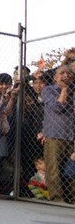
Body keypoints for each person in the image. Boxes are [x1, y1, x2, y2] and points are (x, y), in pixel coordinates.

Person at [40, 64, 75, 203]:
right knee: (53, 169)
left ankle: (72, 197)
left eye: (69, 74)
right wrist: (64, 90)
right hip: (54, 135)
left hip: (71, 135)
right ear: (55, 77)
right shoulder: (48, 90)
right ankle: (57, 198)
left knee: (71, 170)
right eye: (62, 73)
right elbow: (57, 107)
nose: (66, 76)